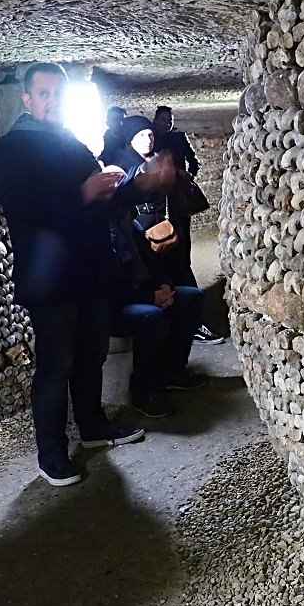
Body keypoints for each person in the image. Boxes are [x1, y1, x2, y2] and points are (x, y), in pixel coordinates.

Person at [0, 63, 173, 487]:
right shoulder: (11, 150)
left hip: (89, 273)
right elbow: (23, 210)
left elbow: (102, 202)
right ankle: (50, 453)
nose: (53, 101)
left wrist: (138, 184)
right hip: (48, 279)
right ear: (29, 99)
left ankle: (92, 428)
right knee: (56, 365)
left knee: (92, 356)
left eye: (59, 94)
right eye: (45, 93)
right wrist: (82, 193)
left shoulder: (71, 146)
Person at [109, 118, 210, 418]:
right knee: (151, 318)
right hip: (114, 304)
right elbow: (109, 280)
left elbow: (145, 258)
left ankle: (173, 372)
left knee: (190, 297)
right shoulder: (99, 230)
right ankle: (144, 390)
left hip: (140, 292)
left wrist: (163, 285)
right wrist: (148, 299)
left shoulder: (124, 221)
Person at [152, 106, 225, 344]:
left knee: (181, 246)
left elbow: (193, 160)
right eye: (163, 120)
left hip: (178, 201)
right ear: (156, 121)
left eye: (170, 120)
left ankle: (186, 290)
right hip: (160, 207)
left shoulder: (177, 138)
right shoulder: (153, 143)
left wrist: (187, 174)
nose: (167, 124)